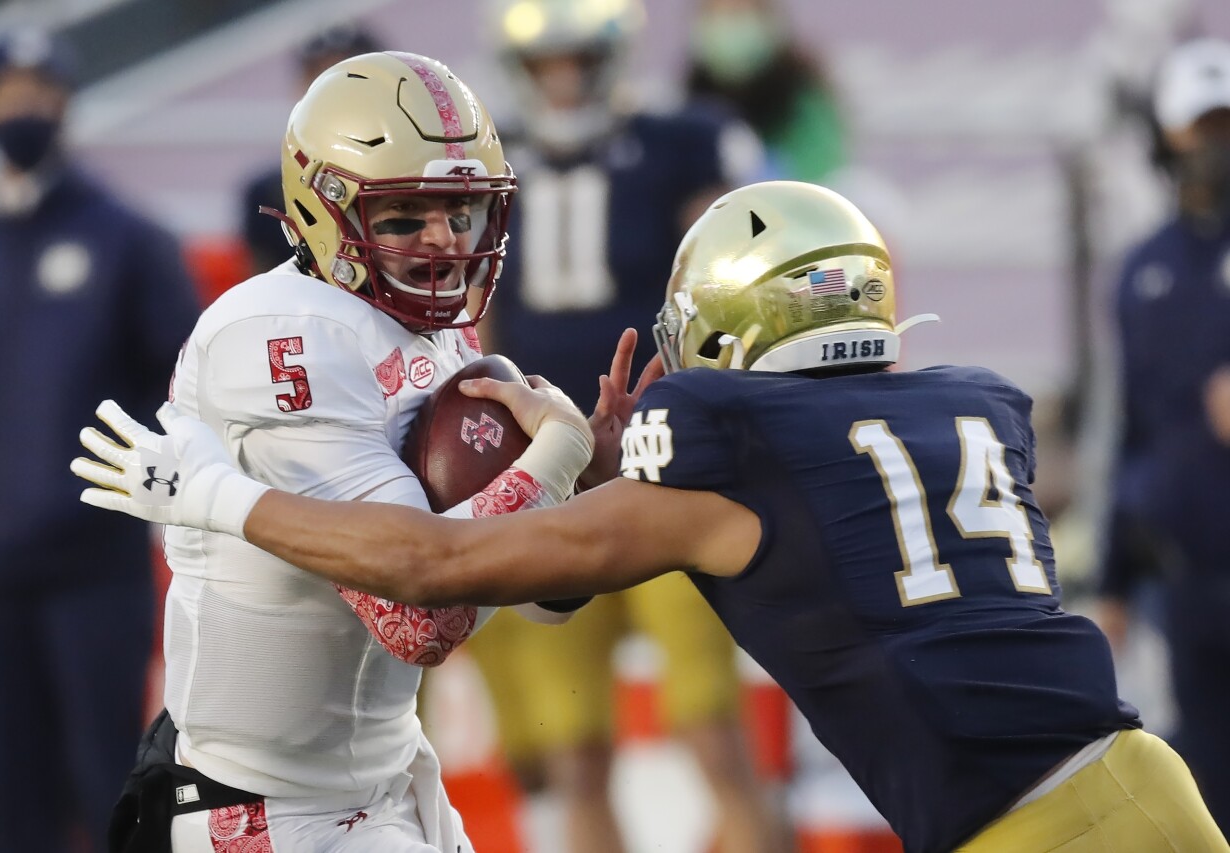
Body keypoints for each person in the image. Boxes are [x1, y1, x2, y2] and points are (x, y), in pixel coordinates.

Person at [75, 180, 1229, 853]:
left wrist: (208, 493)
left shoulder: (731, 440)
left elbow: (432, 569)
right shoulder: (970, 402)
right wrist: (602, 471)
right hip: (1131, 782)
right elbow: (573, 576)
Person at [75, 50, 626, 852]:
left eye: (462, 211)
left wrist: (584, 489)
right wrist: (550, 461)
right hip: (273, 810)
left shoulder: (433, 327)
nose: (443, 242)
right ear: (322, 211)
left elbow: (525, 589)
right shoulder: (281, 335)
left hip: (385, 779)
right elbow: (419, 618)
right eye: (404, 215)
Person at [472, 2, 784, 850]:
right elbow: (480, 311)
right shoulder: (490, 157)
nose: (562, 80)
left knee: (712, 732)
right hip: (550, 475)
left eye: (576, 60)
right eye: (547, 65)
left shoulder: (682, 139)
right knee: (574, 755)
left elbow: (733, 273)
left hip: (663, 465)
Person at [0, 28, 200, 853]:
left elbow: (194, 387)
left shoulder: (126, 238)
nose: (19, 109)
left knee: (109, 786)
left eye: (36, 91)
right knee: (6, 796)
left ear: (63, 101)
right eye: (3, 94)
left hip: (96, 567)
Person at [1096, 37, 1230, 834]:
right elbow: (1134, 426)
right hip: (1185, 577)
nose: (1213, 147)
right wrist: (1114, 573)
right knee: (1201, 787)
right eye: (1199, 127)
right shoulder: (1143, 269)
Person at [239, 24, 381, 275]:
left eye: (344, 75)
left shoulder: (422, 173)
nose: (327, 90)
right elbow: (262, 281)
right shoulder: (265, 191)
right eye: (316, 76)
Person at [685, 0, 846, 184]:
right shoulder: (691, 93)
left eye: (737, 14)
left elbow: (819, 172)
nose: (727, 27)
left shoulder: (803, 93)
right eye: (714, 14)